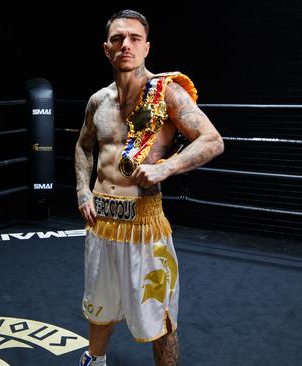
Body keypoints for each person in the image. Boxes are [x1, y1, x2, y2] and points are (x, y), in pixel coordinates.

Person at [74, 9, 224, 366]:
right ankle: (95, 360)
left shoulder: (166, 94)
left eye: (134, 38)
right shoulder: (98, 101)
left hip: (145, 223)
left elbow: (213, 140)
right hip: (101, 220)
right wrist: (82, 189)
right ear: (106, 49)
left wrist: (166, 168)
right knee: (99, 303)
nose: (125, 45)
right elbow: (84, 146)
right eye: (117, 39)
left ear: (146, 48)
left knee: (160, 317)